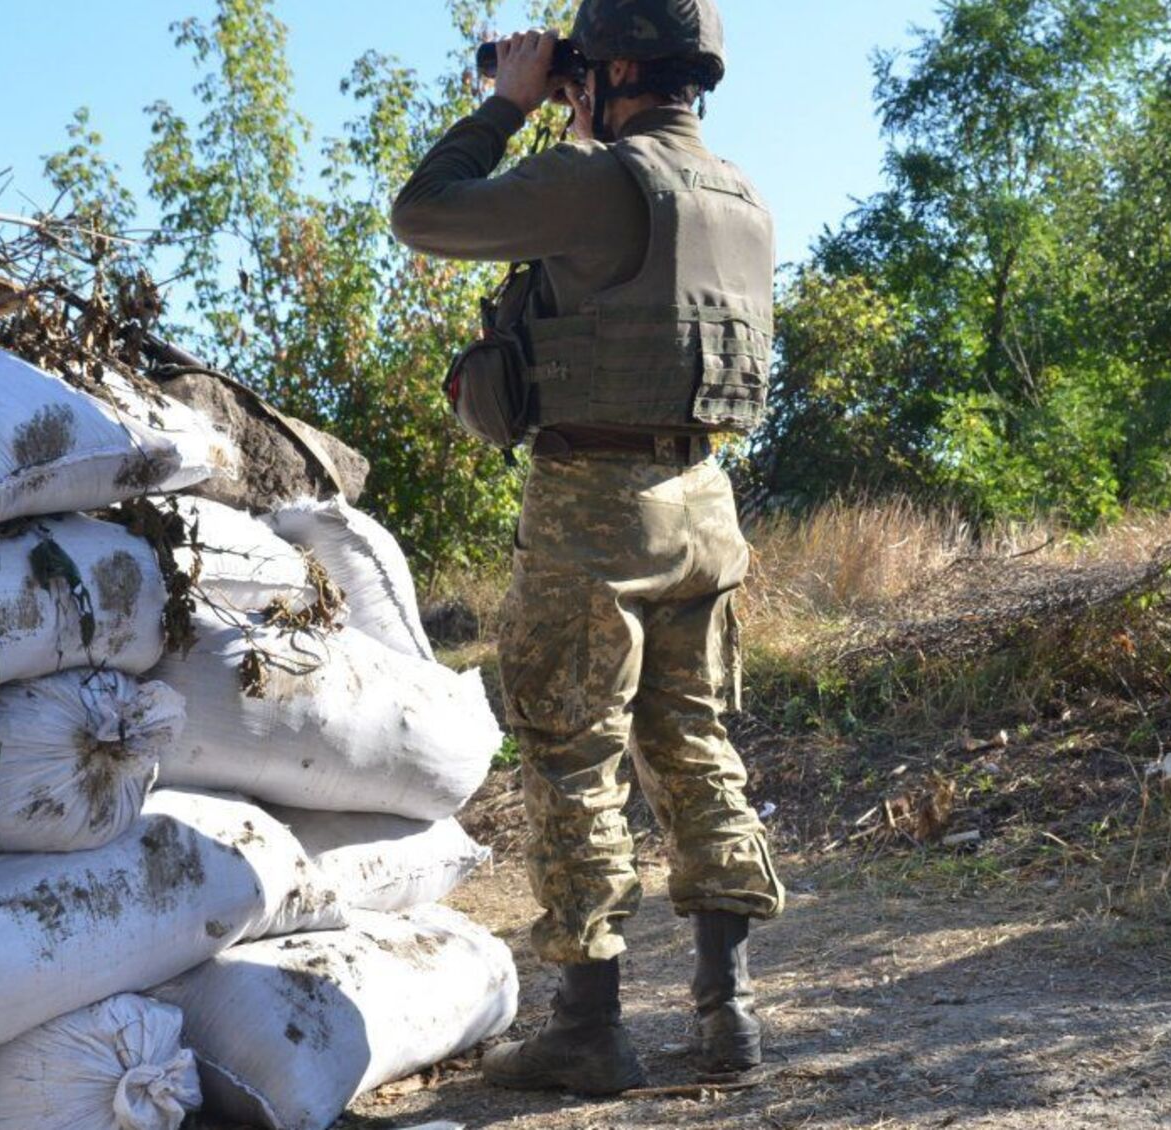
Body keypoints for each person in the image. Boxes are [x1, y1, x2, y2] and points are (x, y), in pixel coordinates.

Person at [390, 0, 782, 1096]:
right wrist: (577, 122)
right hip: (704, 499)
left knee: (573, 749)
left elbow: (424, 212)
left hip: (594, 502)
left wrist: (508, 106)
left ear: (607, 70)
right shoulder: (740, 194)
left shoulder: (594, 182)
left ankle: (589, 1025)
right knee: (696, 743)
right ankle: (728, 1011)